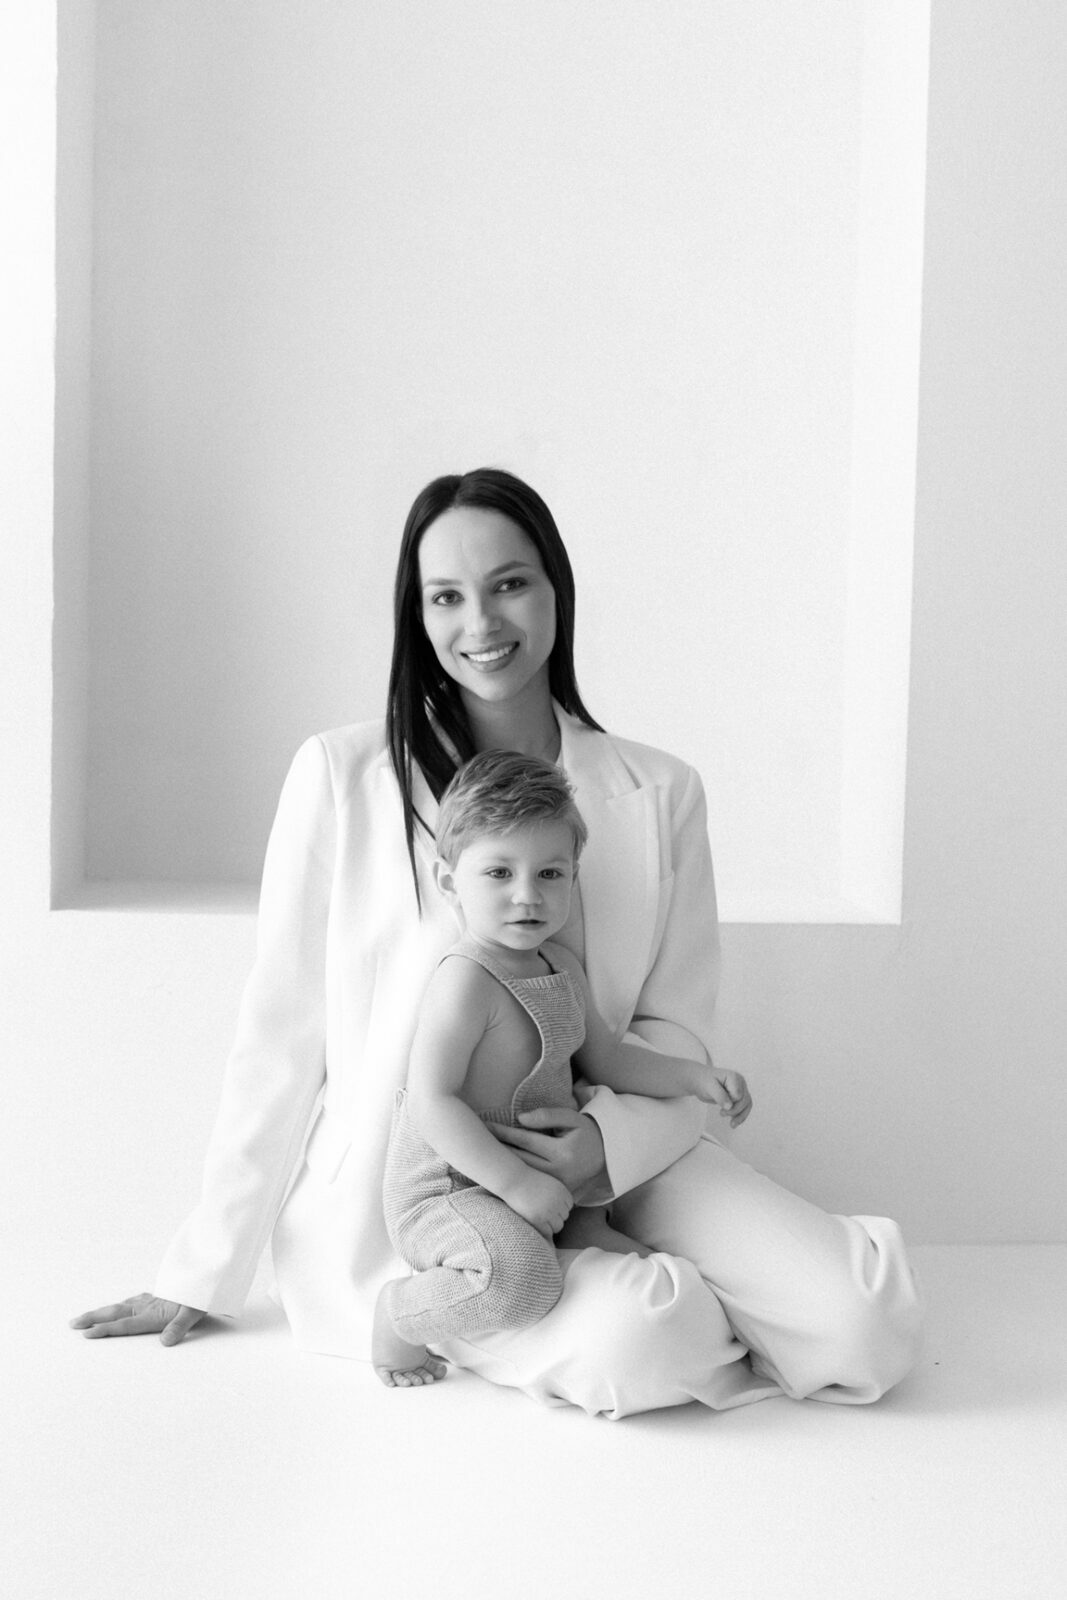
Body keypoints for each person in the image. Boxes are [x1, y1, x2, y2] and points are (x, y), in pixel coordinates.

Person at [71, 466, 923, 1418]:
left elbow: (673, 1024)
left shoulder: (660, 790)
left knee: (860, 1325)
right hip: (443, 1188)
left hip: (619, 1148)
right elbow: (282, 1033)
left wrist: (601, 1146)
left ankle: (703, 1288)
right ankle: (668, 1306)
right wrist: (203, 1268)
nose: (480, 622)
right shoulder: (342, 776)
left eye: (509, 583)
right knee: (643, 1338)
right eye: (446, 596)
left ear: (557, 589)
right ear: (418, 615)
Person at [373, 748, 750, 1388]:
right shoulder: (464, 979)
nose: (528, 895)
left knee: (654, 1265)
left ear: (574, 878)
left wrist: (694, 1078)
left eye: (550, 873)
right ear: (449, 883)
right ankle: (398, 1316)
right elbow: (432, 1102)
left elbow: (607, 1058)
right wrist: (516, 1183)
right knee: (524, 1278)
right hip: (453, 1187)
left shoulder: (561, 967)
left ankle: (693, 1334)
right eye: (499, 873)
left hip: (542, 1177)